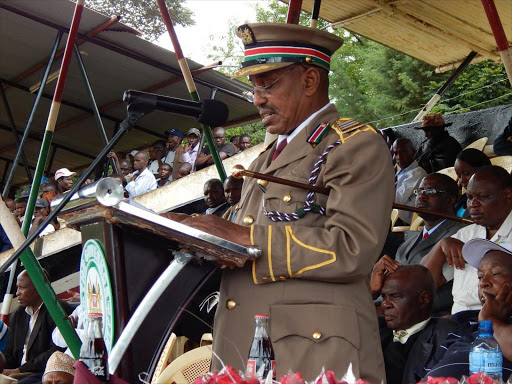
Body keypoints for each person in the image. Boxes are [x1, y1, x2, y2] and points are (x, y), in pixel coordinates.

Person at [171, 23, 394, 382]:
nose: (257, 99)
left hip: (312, 351)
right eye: (254, 87)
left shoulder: (352, 146)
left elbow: (354, 248)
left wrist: (248, 239)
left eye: (267, 84)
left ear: (309, 81)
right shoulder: (264, 159)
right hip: (247, 345)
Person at [421, 165, 512, 314]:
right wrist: (441, 245)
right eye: (470, 198)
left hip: (496, 323)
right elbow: (423, 283)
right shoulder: (465, 234)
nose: (473, 205)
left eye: (483, 197)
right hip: (457, 322)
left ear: (508, 195)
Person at [374, 174, 465, 314]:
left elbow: (440, 288)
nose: (422, 196)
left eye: (430, 192)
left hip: (420, 314)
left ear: (450, 200)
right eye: (419, 191)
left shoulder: (459, 235)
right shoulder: (408, 243)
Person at [422, 239, 512, 381]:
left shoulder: (487, 319)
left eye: (495, 273)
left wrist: (489, 321)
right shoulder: (464, 322)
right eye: (480, 276)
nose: (483, 283)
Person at [372, 265, 457, 384]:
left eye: (394, 296)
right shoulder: (374, 328)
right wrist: (370, 292)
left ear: (423, 299)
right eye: (384, 297)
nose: (385, 304)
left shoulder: (445, 335)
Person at [3, 270, 61, 383]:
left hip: (43, 373)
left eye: (22, 288)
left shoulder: (58, 312)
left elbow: (55, 353)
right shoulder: (18, 314)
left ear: (38, 288)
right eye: (17, 287)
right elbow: (9, 352)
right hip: (18, 372)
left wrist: (20, 370)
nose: (17, 293)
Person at [393, 138, 427, 224]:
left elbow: (395, 200)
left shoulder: (417, 173)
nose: (399, 157)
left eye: (403, 152)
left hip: (402, 219)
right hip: (392, 214)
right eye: (395, 153)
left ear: (413, 152)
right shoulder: (400, 173)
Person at [453, 148, 491, 218]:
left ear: (483, 169)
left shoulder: (494, 201)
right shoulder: (461, 200)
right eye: (459, 176)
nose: (462, 180)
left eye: (466, 173)